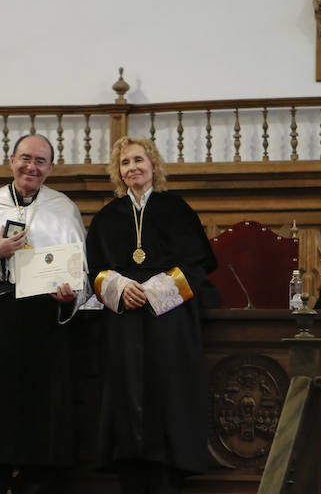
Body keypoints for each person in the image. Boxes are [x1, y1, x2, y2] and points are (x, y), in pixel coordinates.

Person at [0, 134, 89, 494]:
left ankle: (36, 484)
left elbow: (81, 272)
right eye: (25, 158)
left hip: (43, 323)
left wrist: (69, 296)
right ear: (11, 160)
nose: (31, 167)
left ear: (51, 167)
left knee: (41, 410)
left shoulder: (63, 207)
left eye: (40, 161)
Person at [85, 135, 220, 494]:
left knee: (167, 395)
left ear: (154, 165)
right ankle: (130, 473)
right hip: (123, 323)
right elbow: (94, 271)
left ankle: (168, 477)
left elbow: (197, 266)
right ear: (118, 172)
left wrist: (153, 290)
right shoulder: (107, 217)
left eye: (138, 160)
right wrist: (118, 286)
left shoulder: (177, 210)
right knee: (126, 396)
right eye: (125, 163)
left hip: (170, 324)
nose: (133, 168)